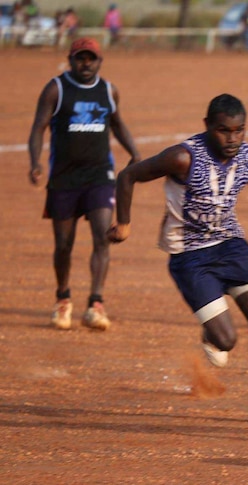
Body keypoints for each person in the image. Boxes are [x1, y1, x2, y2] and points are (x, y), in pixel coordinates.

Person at [108, 94, 248, 425]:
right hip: (190, 256)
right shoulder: (182, 158)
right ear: (207, 126)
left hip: (231, 246)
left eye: (239, 130)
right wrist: (123, 223)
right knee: (226, 341)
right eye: (224, 131)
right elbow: (128, 176)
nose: (233, 139)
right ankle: (213, 334)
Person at [28, 37, 140, 331]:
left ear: (100, 61)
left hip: (99, 175)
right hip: (64, 179)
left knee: (102, 237)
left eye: (91, 58)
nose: (86, 63)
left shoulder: (108, 90)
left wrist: (135, 152)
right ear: (71, 59)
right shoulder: (57, 88)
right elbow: (39, 126)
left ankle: (95, 303)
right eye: (81, 58)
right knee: (63, 246)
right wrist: (35, 161)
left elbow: (117, 124)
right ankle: (63, 298)